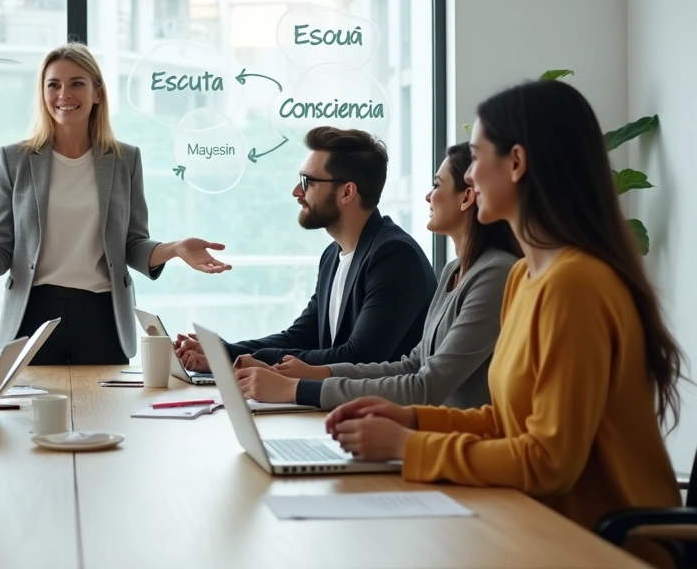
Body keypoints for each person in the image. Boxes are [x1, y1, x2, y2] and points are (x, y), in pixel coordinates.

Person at [326, 80, 682, 568]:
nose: (468, 176)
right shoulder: (523, 277)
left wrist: (410, 446)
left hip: (599, 547)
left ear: (516, 163)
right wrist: (413, 418)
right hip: (533, 525)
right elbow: (505, 422)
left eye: (475, 157)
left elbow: (547, 462)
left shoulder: (576, 284)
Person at [0, 43, 230, 365]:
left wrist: (177, 248)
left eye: (77, 83)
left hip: (103, 316)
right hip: (33, 314)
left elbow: (133, 246)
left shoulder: (125, 160)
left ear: (97, 94)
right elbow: (1, 251)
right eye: (53, 85)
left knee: (108, 420)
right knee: (27, 425)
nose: (64, 94)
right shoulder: (15, 159)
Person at [234, 142, 521, 410]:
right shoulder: (453, 271)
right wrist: (316, 373)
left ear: (467, 197)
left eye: (436, 184)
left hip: (460, 446)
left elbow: (426, 385)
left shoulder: (495, 274)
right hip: (437, 435)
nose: (427, 195)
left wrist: (296, 389)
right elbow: (411, 365)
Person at [174, 126, 436, 370]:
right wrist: (225, 351)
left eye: (307, 181)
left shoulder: (395, 257)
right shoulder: (333, 255)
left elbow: (358, 358)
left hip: (383, 416)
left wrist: (241, 360)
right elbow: (304, 335)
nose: (296, 191)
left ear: (347, 193)